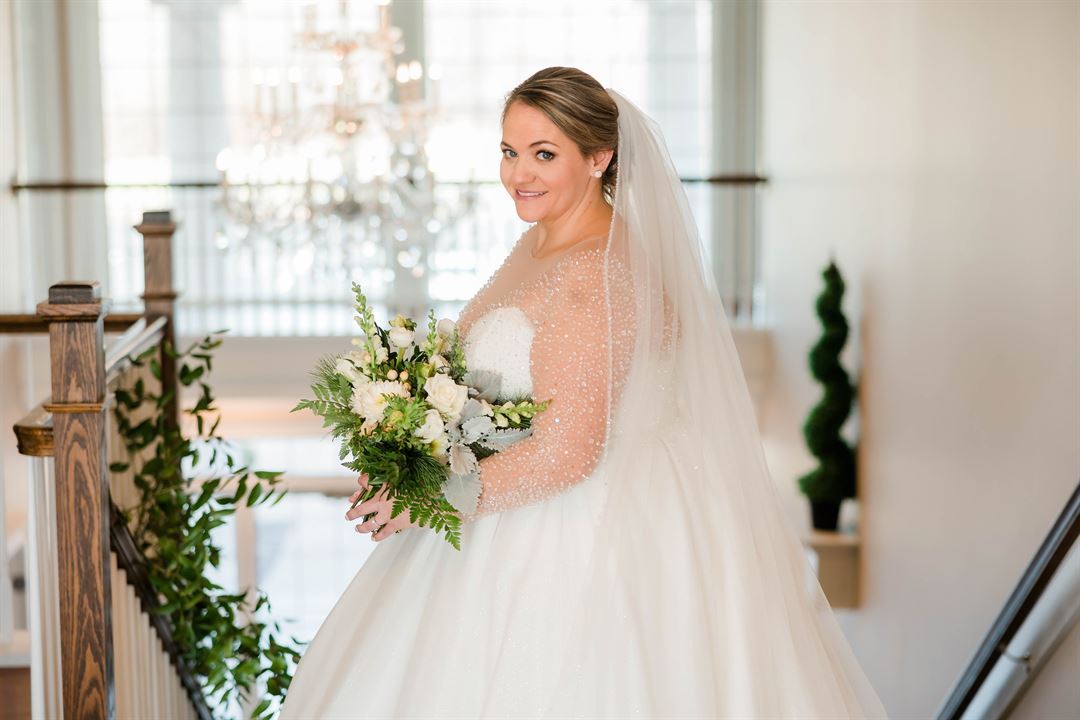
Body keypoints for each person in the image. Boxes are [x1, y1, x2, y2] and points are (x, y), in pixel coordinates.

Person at [280, 66, 889, 719]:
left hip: (581, 535)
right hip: (516, 498)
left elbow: (568, 452)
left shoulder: (592, 277)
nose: (520, 174)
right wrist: (417, 446)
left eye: (544, 154)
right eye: (510, 152)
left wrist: (429, 496)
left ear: (599, 158)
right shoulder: (543, 237)